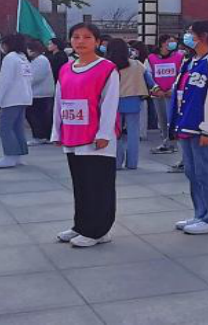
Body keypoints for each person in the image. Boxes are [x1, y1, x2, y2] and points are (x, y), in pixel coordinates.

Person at [52, 22, 120, 248]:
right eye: (76, 37)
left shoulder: (107, 68)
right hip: (73, 133)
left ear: (98, 42)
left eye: (87, 37)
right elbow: (59, 100)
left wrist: (104, 133)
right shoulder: (66, 68)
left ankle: (98, 230)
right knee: (80, 183)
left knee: (98, 184)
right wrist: (57, 130)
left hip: (96, 138)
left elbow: (110, 103)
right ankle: (81, 225)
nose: (80, 41)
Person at [170, 20, 208, 234]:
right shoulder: (190, 62)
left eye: (190, 33)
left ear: (203, 35)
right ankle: (201, 213)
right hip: (186, 125)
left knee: (207, 173)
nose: (187, 37)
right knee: (193, 173)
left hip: (202, 128)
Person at [0, 34, 33, 169]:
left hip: (12, 98)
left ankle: (10, 156)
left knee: (5, 128)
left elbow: (5, 81)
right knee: (17, 127)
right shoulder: (23, 58)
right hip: (23, 97)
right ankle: (18, 155)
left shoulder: (10, 58)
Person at [109, 38, 148, 170]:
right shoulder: (136, 64)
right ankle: (132, 163)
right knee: (133, 133)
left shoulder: (107, 66)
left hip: (113, 102)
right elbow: (149, 79)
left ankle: (117, 162)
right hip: (133, 100)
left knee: (116, 133)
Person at [147, 34, 184, 155]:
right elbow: (148, 75)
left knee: (172, 119)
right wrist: (156, 89)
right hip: (158, 94)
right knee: (162, 119)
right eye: (169, 41)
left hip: (172, 94)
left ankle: (173, 143)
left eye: (174, 41)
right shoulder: (151, 58)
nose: (173, 44)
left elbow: (181, 74)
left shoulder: (180, 57)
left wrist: (173, 89)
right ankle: (165, 142)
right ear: (162, 43)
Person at [25, 38, 55, 146]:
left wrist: (24, 82)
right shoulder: (37, 60)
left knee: (37, 116)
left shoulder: (41, 60)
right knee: (39, 116)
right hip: (38, 93)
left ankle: (40, 136)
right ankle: (43, 136)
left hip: (40, 94)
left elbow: (35, 77)